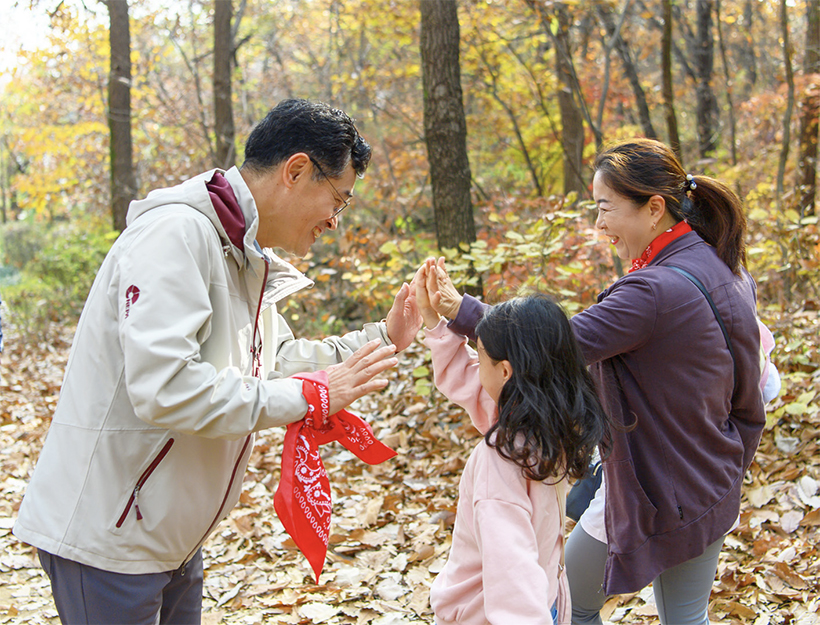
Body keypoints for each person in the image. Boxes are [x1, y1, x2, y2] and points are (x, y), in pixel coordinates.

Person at [13, 99, 421, 624]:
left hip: (173, 540)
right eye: (337, 201)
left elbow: (273, 361)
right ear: (296, 170)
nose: (334, 222)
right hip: (112, 541)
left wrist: (384, 338)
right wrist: (308, 397)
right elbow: (167, 387)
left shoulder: (244, 252)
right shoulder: (177, 235)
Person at [424, 138, 766, 625]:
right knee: (688, 617)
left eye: (606, 208)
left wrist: (460, 312)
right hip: (711, 475)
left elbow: (552, 345)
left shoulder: (653, 291)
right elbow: (751, 382)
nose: (598, 223)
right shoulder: (721, 264)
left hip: (657, 488)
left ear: (654, 208)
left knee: (572, 602)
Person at [414, 260, 608, 625]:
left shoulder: (501, 458)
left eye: (481, 357)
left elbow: (511, 568)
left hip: (496, 613)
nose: (477, 366)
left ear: (505, 372)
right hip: (543, 600)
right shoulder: (550, 424)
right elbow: (474, 384)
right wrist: (435, 322)